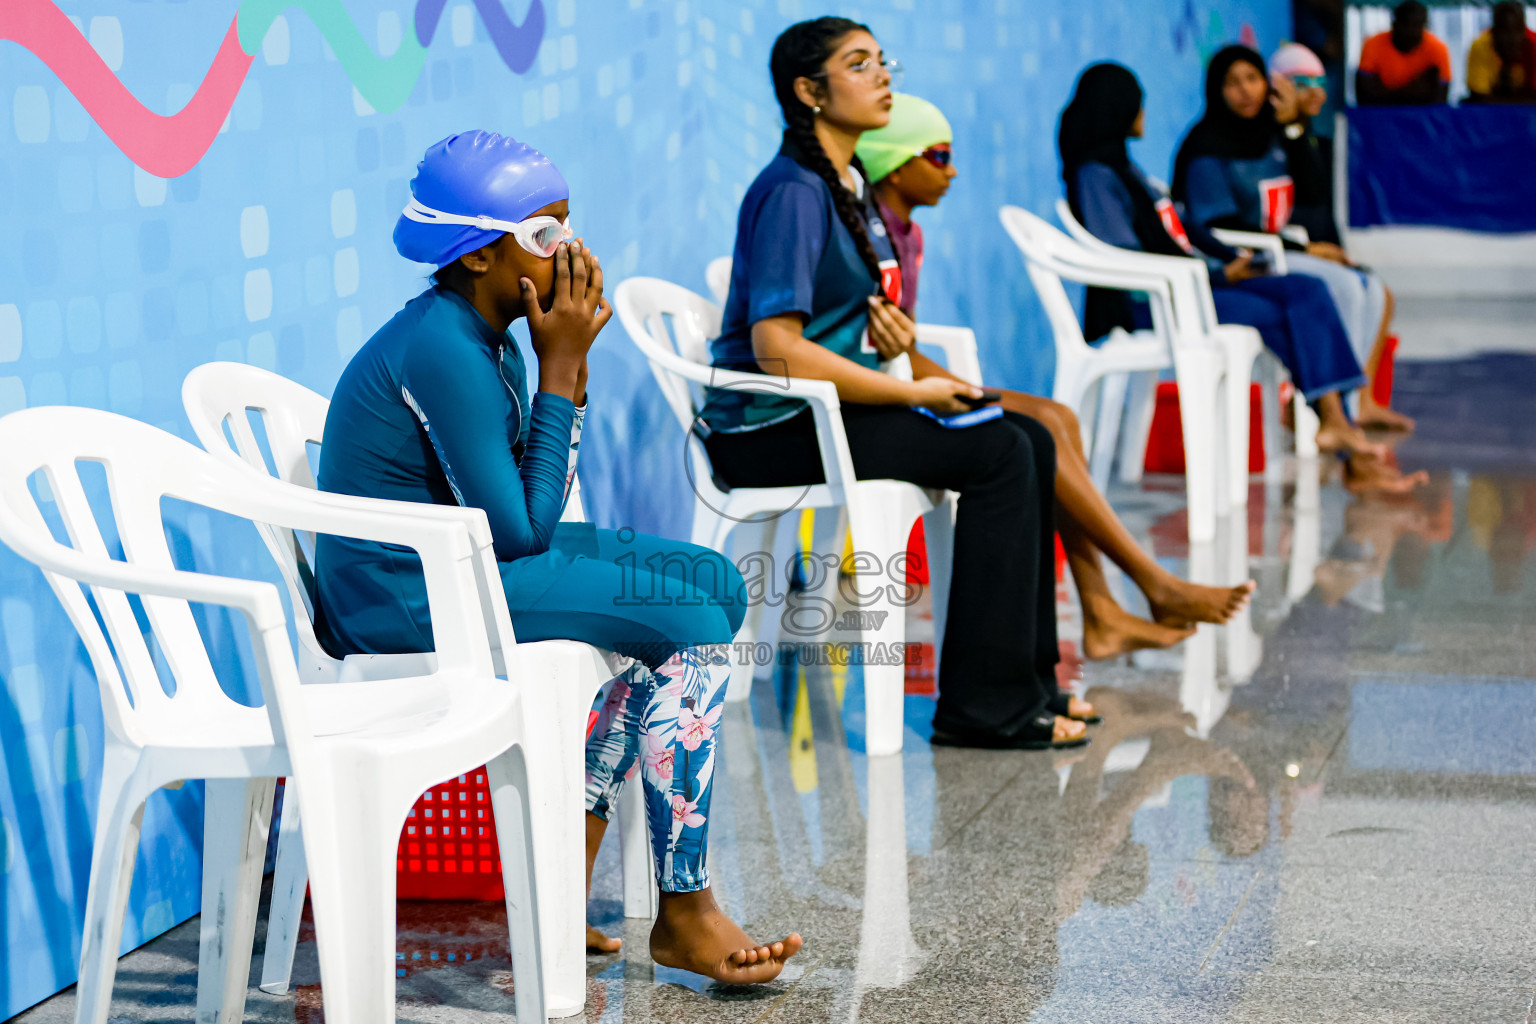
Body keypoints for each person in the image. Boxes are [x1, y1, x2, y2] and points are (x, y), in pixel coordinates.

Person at [314, 130, 802, 983]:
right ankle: (685, 909)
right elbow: (522, 533)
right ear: (476, 254)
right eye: (544, 234)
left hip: (462, 564)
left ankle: (562, 878)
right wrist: (564, 370)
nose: (570, 250)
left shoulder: (490, 336)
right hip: (405, 594)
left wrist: (560, 367)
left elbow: (526, 513)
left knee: (713, 581)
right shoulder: (442, 347)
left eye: (567, 225)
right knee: (688, 621)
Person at [701, 17, 1091, 750]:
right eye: (859, 64)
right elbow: (776, 346)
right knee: (1002, 452)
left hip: (823, 414)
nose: (882, 76)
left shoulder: (844, 184)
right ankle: (986, 709)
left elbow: (833, 324)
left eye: (882, 62)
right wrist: (911, 392)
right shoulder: (792, 191)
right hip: (765, 429)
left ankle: (1032, 686)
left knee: (1030, 438)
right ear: (809, 91)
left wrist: (894, 344)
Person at [854, 92, 1254, 661]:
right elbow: (884, 353)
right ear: (895, 167)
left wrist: (953, 386)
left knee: (1058, 417)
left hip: (910, 382)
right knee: (1041, 425)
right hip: (884, 399)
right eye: (939, 156)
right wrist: (952, 390)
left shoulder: (905, 234)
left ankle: (1102, 609)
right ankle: (1151, 583)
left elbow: (904, 343)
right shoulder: (867, 235)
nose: (953, 171)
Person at [1068, 62, 1425, 495]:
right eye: (1137, 105)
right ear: (1116, 109)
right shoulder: (1095, 175)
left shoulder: (1126, 169)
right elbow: (1128, 258)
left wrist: (1234, 260)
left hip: (1192, 285)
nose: (1143, 113)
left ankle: (1338, 427)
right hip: (1153, 304)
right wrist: (1218, 273)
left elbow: (1184, 229)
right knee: (1282, 311)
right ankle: (1345, 441)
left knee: (1308, 291)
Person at [1173, 47, 1421, 439]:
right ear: (1216, 91)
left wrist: (1294, 128)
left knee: (1371, 289)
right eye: (1233, 83)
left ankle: (1356, 403)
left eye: (1252, 79)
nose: (1245, 91)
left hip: (1279, 248)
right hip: (1244, 258)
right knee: (1341, 286)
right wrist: (1304, 250)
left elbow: (1313, 192)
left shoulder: (1270, 131)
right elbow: (1218, 227)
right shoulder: (1205, 147)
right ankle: (1339, 412)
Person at [1269, 42, 1414, 431]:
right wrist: (1291, 126)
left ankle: (1360, 400)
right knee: (1349, 290)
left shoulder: (1309, 136)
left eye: (1321, 83)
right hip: (1290, 250)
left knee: (1379, 294)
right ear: (1281, 87)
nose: (1318, 93)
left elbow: (1319, 200)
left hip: (1311, 248)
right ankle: (1336, 408)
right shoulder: (1276, 137)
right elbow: (1303, 195)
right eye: (1305, 84)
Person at [1356, 0, 1451, 106]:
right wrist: (1413, 91)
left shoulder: (1438, 49)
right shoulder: (1373, 44)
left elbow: (1440, 100)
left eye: (1418, 26)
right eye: (1407, 25)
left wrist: (1386, 92)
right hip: (1380, 114)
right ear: (1395, 25)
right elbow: (1364, 96)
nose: (1413, 32)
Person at [1466, 1, 1536, 104]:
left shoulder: (1533, 45)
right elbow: (1479, 97)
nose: (1512, 38)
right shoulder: (1480, 45)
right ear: (1493, 31)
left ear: (1524, 30)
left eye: (1517, 30)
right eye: (1505, 31)